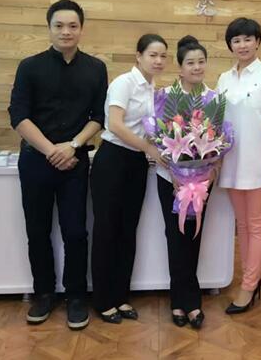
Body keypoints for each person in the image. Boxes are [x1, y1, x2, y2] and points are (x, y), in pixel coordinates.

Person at [8, 0, 108, 329]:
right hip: (35, 160)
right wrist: (52, 150)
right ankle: (44, 294)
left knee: (76, 231)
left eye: (72, 26)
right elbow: (18, 116)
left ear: (81, 29)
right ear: (49, 28)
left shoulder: (95, 68)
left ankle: (76, 296)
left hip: (74, 163)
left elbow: (99, 116)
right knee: (37, 231)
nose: (66, 31)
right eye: (59, 25)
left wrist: (73, 146)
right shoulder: (29, 67)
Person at [90, 33, 168, 324]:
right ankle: (103, 300)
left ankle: (121, 296)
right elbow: (115, 125)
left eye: (162, 56)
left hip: (136, 163)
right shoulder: (124, 83)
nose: (158, 60)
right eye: (152, 55)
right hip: (112, 159)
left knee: (127, 230)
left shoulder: (152, 88)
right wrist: (150, 148)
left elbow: (148, 128)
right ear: (139, 56)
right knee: (106, 230)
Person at [217, 17, 261, 314]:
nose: (242, 45)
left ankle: (249, 285)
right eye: (236, 40)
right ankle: (250, 279)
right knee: (241, 225)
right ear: (230, 45)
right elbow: (218, 121)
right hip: (231, 162)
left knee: (256, 226)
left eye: (247, 39)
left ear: (257, 41)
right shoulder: (224, 78)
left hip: (259, 163)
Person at [157, 35, 217, 329]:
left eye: (201, 62)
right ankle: (179, 301)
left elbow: (219, 140)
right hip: (170, 180)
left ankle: (190, 302)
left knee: (194, 237)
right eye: (190, 62)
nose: (196, 67)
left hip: (202, 181)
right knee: (175, 236)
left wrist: (211, 170)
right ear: (179, 67)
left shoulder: (213, 98)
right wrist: (174, 175)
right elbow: (157, 139)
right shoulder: (165, 96)